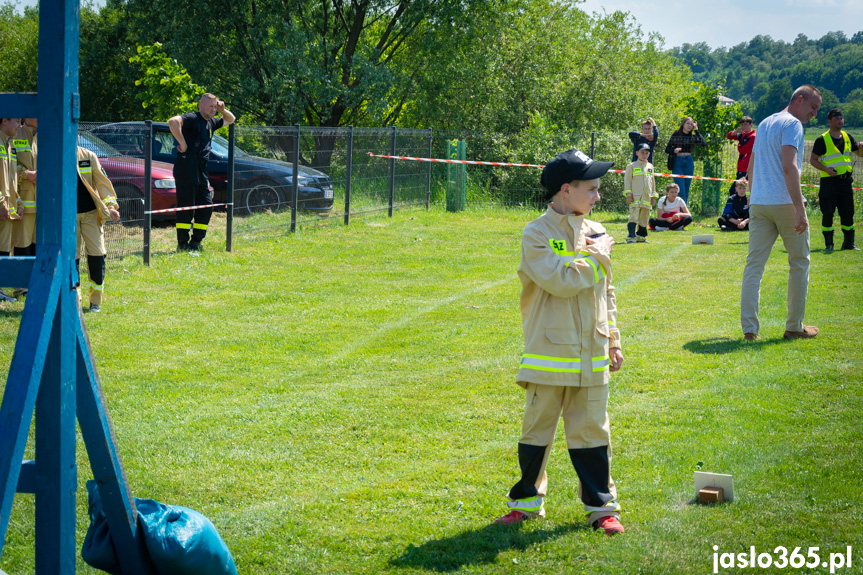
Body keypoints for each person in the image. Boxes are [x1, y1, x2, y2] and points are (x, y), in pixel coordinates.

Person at [495, 149, 625, 537]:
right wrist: (597, 259)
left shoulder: (596, 231)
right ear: (566, 190)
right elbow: (561, 282)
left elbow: (607, 292)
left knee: (593, 435)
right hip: (549, 355)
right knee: (538, 433)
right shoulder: (536, 234)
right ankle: (525, 504)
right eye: (592, 188)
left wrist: (614, 340)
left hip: (594, 354)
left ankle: (602, 509)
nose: (598, 196)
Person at [740, 84, 822, 341]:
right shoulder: (793, 125)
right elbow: (789, 167)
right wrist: (800, 209)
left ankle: (750, 331)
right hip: (785, 204)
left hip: (761, 204)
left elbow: (752, 164)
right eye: (813, 107)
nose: (814, 114)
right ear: (799, 100)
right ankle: (794, 327)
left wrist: (753, 199)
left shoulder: (764, 123)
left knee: (754, 267)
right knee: (799, 263)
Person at [168, 93, 235, 252]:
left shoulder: (212, 122)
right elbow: (173, 121)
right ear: (201, 105)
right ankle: (182, 243)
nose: (213, 110)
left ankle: (196, 242)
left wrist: (222, 109)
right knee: (186, 206)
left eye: (214, 106)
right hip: (186, 166)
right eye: (210, 106)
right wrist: (182, 143)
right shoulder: (192, 118)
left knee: (206, 206)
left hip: (201, 168)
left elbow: (231, 119)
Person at [808, 108, 863, 252]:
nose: (840, 120)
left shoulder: (847, 137)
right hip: (829, 183)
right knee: (828, 212)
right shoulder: (822, 139)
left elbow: (859, 154)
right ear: (830, 121)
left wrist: (862, 148)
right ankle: (829, 244)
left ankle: (849, 243)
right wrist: (826, 169)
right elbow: (813, 160)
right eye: (837, 118)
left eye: (841, 118)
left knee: (848, 212)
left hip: (846, 182)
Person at [76, 144, 121, 312]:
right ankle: (74, 300)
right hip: (66, 216)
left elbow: (103, 184)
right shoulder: (55, 154)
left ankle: (95, 301)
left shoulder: (88, 155)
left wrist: (110, 206)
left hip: (91, 214)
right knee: (71, 258)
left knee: (97, 254)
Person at [0, 117, 23, 303]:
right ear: (5, 120)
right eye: (17, 120)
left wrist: (19, 202)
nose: (20, 125)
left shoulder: (9, 144)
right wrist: (1, 203)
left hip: (7, 208)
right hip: (2, 206)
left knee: (4, 248)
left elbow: (11, 178)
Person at [664, 117, 705, 204]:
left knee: (686, 190)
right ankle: (679, 212)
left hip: (689, 162)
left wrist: (696, 130)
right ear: (683, 124)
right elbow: (667, 149)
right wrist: (674, 151)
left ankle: (683, 213)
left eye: (691, 124)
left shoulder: (692, 137)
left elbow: (703, 143)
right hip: (678, 162)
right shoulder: (676, 134)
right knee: (681, 191)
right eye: (688, 123)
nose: (689, 126)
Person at [624, 142, 657, 243]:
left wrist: (653, 196)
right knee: (634, 216)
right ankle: (631, 236)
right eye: (642, 152)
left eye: (647, 153)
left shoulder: (650, 166)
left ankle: (641, 236)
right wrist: (628, 195)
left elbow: (653, 183)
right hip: (635, 197)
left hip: (647, 198)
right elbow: (627, 181)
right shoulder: (631, 166)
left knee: (644, 217)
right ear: (637, 153)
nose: (644, 155)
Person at [14, 118, 37, 258]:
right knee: (22, 250)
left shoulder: (50, 134)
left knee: (41, 251)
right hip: (24, 205)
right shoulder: (15, 133)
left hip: (46, 207)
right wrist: (25, 174)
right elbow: (6, 165)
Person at [726, 116, 756, 195]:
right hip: (741, 167)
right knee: (739, 191)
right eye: (742, 125)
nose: (743, 127)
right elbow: (729, 136)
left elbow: (742, 149)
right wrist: (735, 132)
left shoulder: (753, 137)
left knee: (735, 191)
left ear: (751, 125)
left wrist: (739, 144)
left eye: (745, 124)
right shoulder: (742, 136)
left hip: (747, 168)